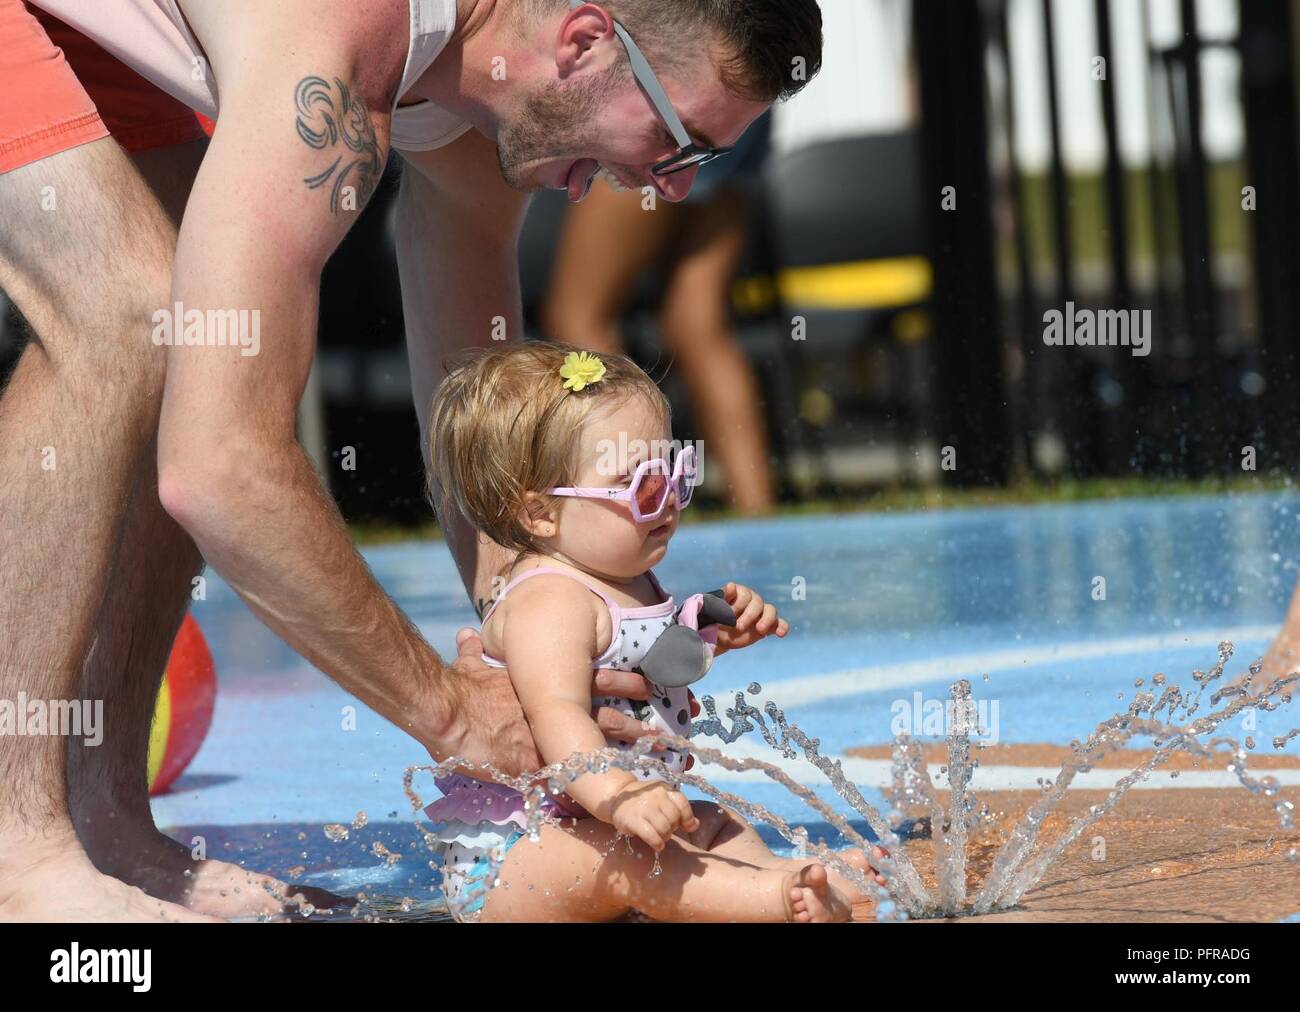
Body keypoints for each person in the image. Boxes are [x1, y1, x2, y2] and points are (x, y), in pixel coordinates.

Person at [0, 0, 824, 921]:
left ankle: (107, 826)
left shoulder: (497, 103)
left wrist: (546, 642)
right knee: (131, 311)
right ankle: (14, 851)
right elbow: (219, 466)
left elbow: (484, 437)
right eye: (679, 142)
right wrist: (455, 714)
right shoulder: (335, 51)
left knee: (175, 319)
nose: (673, 190)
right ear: (587, 41)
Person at [423, 342, 884, 921]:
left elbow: (639, 666)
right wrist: (618, 794)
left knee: (714, 822)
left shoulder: (623, 573)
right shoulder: (551, 600)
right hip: (518, 857)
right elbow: (557, 713)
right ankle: (769, 901)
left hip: (598, 823)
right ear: (540, 514)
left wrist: (707, 630)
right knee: (635, 860)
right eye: (640, 485)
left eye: (676, 470)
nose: (666, 498)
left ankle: (785, 876)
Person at [543, 115, 777, 515]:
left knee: (578, 317)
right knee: (696, 325)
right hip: (737, 121)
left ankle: (632, 503)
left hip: (664, 121)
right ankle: (758, 514)